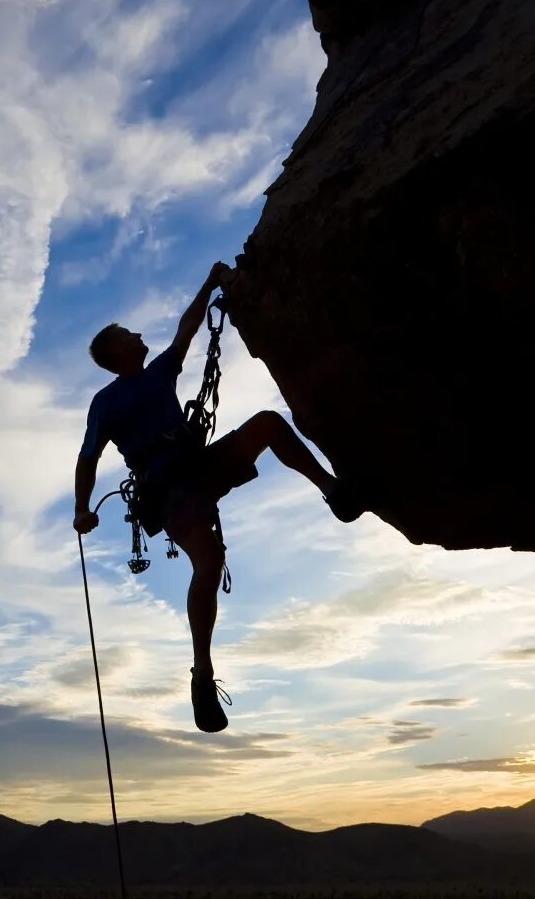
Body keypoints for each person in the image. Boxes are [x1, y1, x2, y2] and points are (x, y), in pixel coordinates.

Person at [72, 260, 361, 733]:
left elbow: (187, 329)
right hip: (167, 489)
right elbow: (87, 458)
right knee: (207, 560)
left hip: (197, 466)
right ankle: (202, 674)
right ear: (117, 351)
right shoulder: (106, 403)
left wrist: (208, 282)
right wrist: (81, 509)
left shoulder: (159, 371)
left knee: (268, 424)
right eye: (129, 333)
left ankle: (335, 492)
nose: (139, 334)